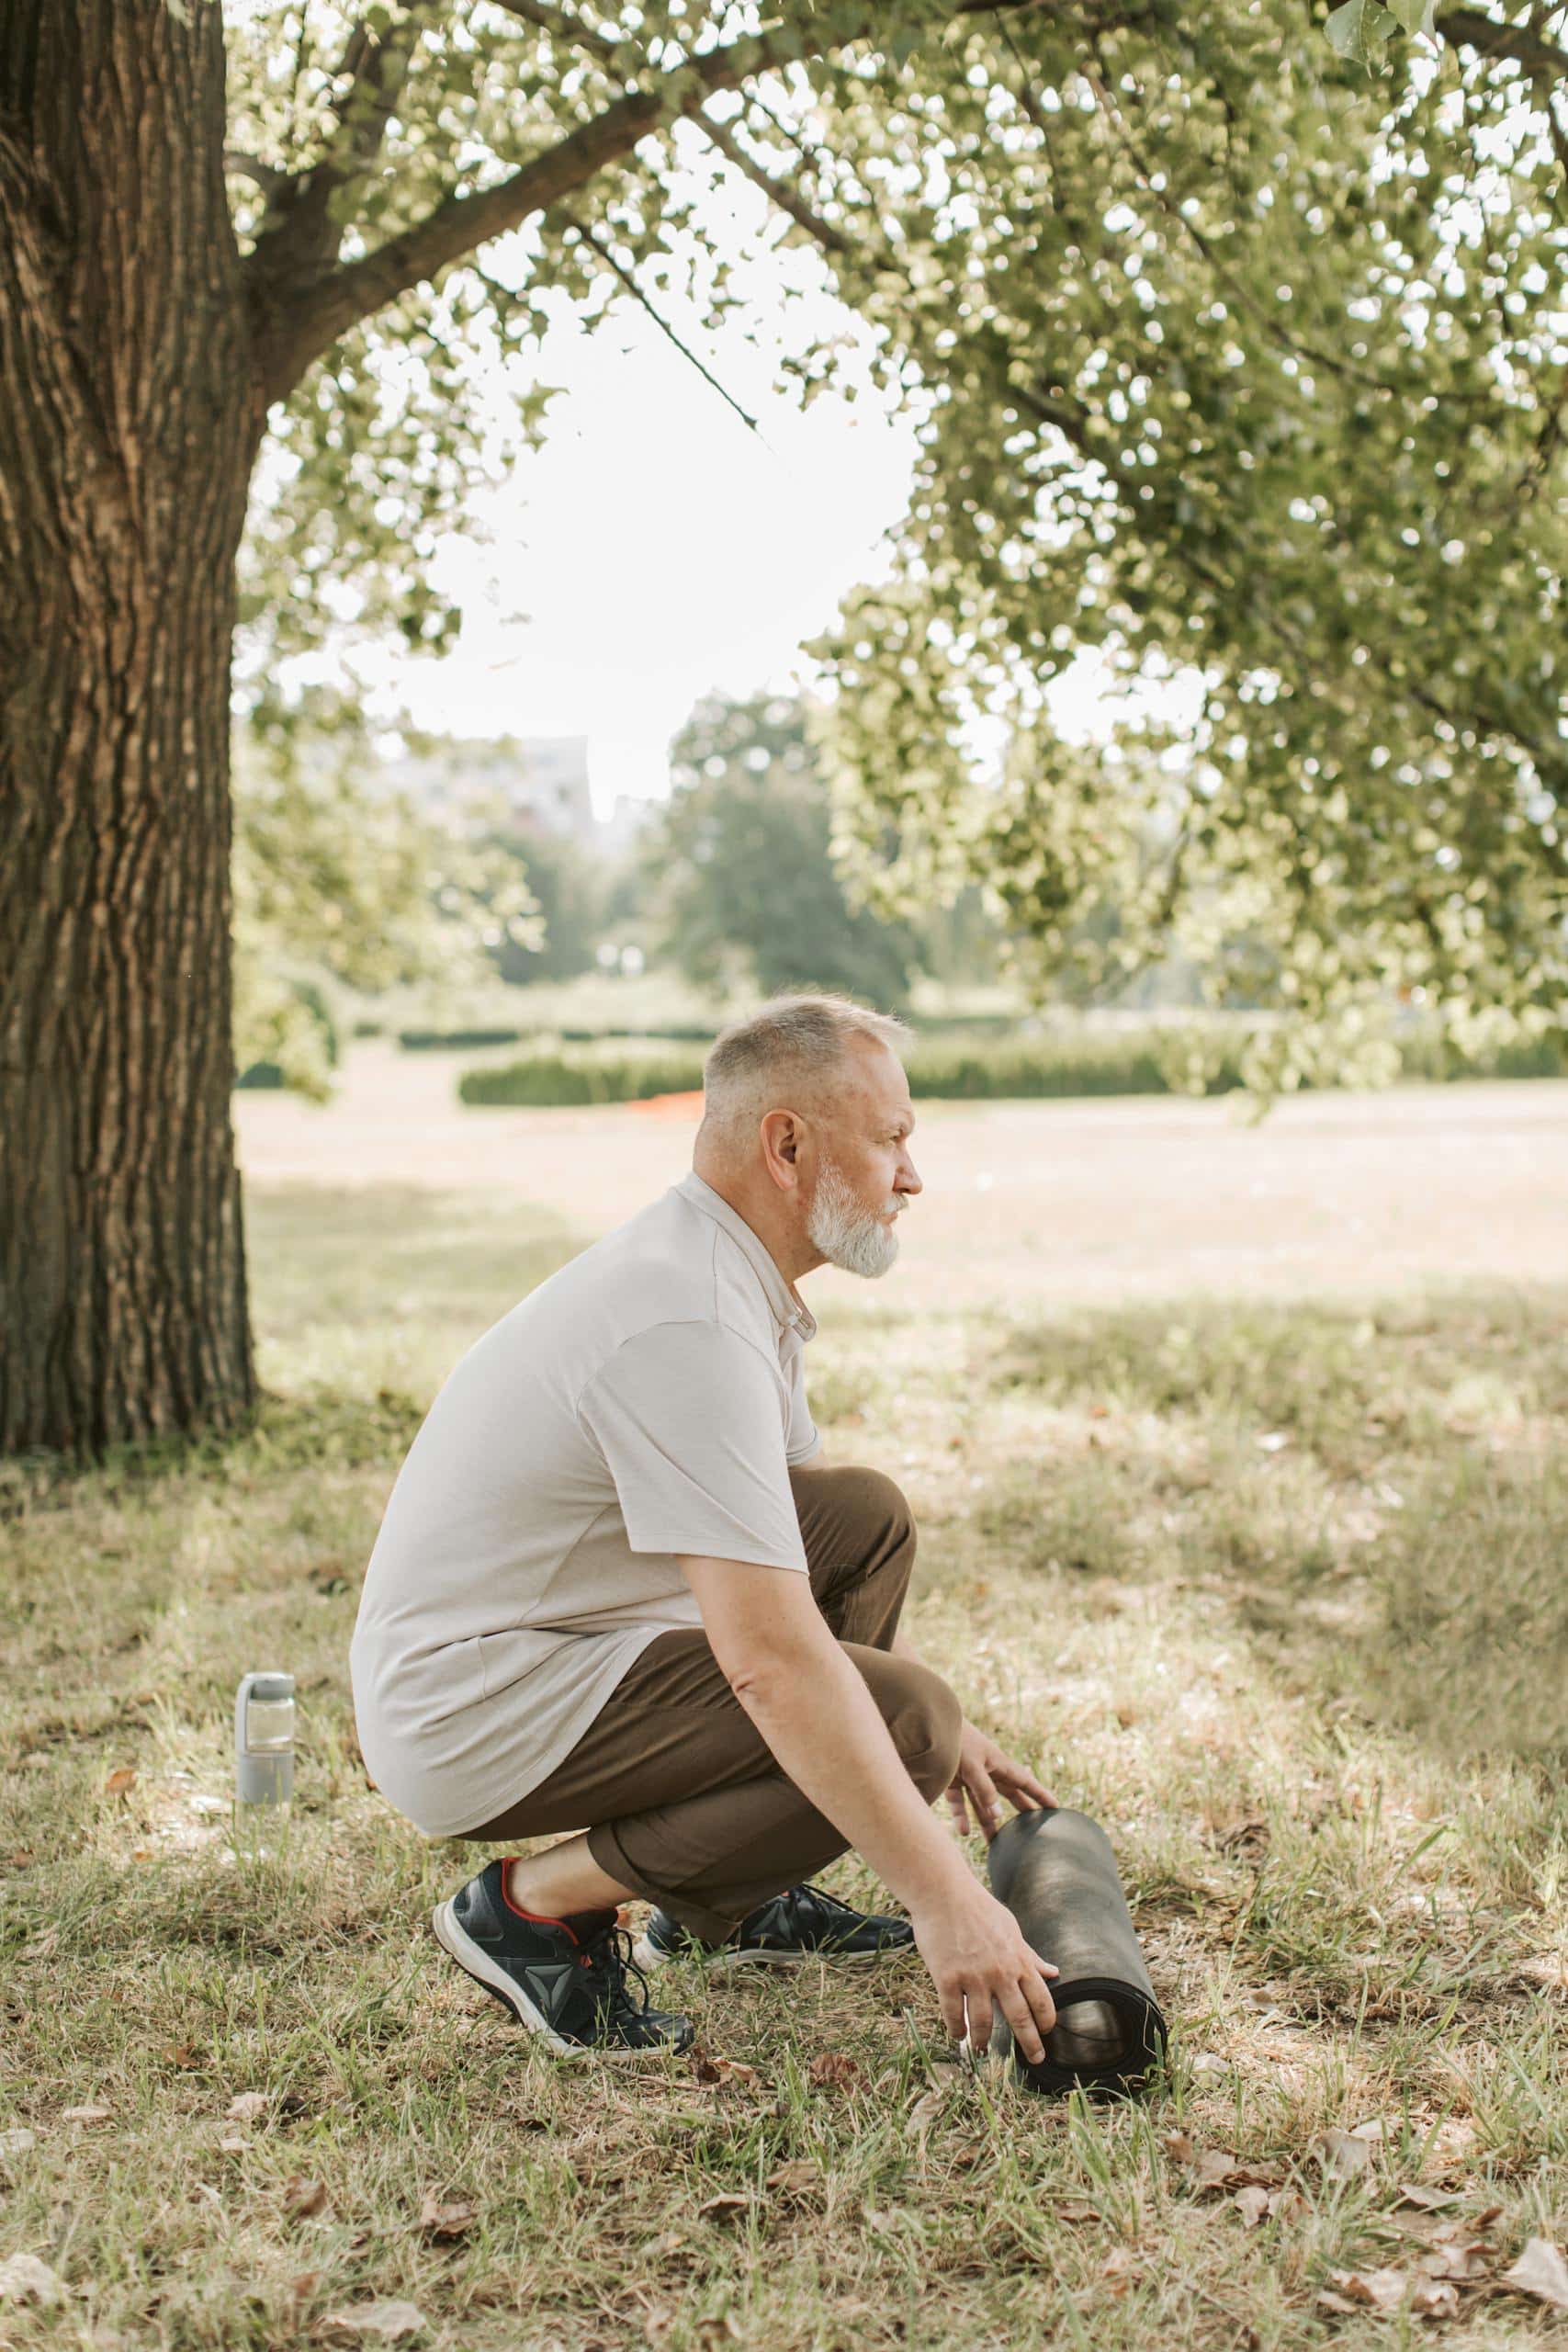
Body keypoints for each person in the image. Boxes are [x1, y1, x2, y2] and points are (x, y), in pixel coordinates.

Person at [350, 992, 1060, 2064]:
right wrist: (946, 1898)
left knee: (861, 1523)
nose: (913, 1176)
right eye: (892, 1140)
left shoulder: (725, 1270)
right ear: (787, 1144)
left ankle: (735, 1894)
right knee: (905, 1722)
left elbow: (805, 1567)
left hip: (569, 1642)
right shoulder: (687, 1317)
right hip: (473, 1706)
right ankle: (531, 1908)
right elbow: (775, 1661)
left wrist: (959, 1741)